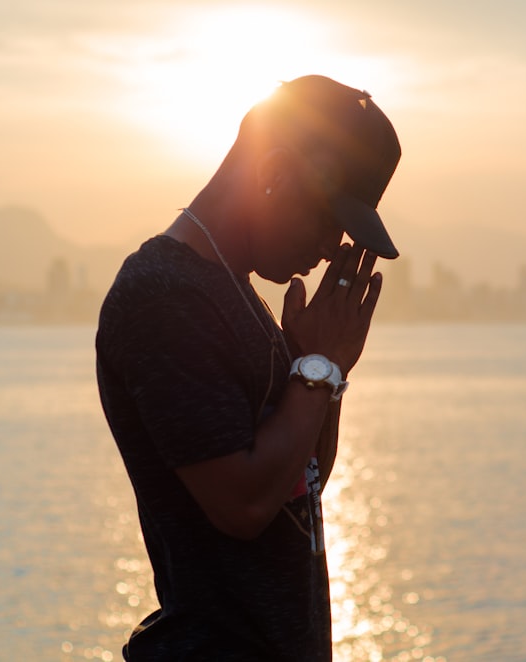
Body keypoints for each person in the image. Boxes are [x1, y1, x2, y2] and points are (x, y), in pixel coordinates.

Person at [95, 75, 401, 661]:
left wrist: (325, 379)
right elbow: (244, 507)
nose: (331, 245)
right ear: (277, 173)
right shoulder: (164, 297)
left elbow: (299, 485)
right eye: (328, 218)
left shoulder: (233, 292)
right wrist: (318, 364)